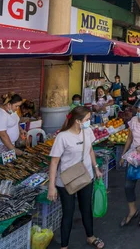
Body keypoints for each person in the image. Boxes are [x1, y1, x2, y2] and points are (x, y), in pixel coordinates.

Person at [47, 106, 105, 249]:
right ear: (78, 121)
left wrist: (96, 168)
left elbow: (90, 150)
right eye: (87, 119)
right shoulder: (63, 137)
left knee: (86, 208)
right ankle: (64, 246)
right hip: (66, 181)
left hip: (86, 176)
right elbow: (54, 162)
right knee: (68, 213)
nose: (89, 122)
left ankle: (90, 237)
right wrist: (51, 186)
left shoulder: (87, 131)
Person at [0, 92, 25, 164]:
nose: (18, 108)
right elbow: (3, 135)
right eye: (16, 106)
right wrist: (13, 149)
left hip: (10, 144)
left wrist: (20, 130)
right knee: (0, 169)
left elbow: (16, 121)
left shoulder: (11, 110)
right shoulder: (0, 116)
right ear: (9, 104)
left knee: (9, 166)